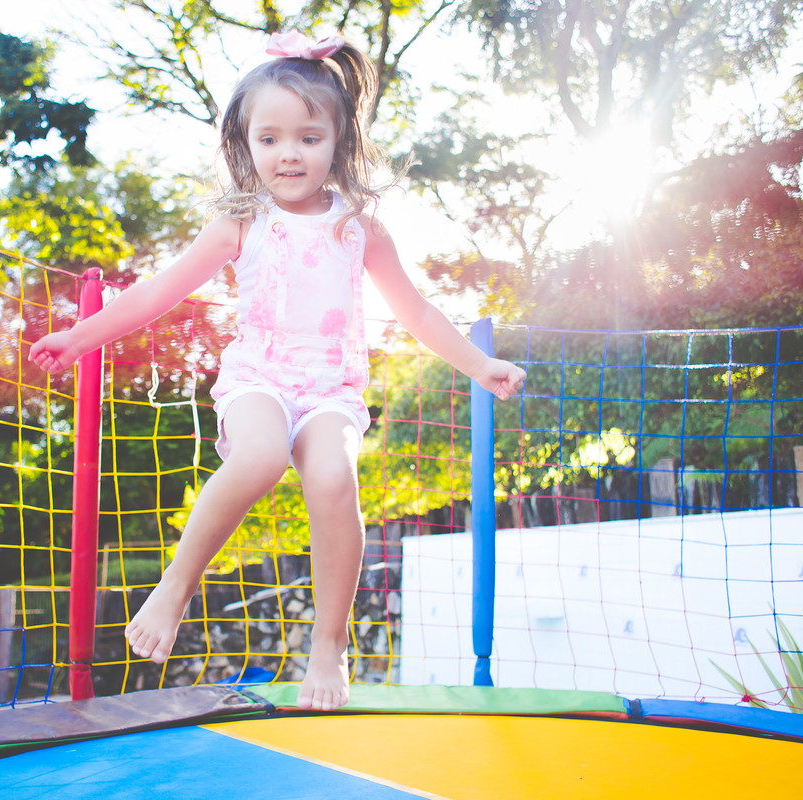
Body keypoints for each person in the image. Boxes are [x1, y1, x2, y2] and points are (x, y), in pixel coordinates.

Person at [29, 30, 526, 711]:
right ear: (245, 142)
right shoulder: (241, 221)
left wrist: (479, 364)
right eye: (270, 138)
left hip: (331, 390)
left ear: (338, 142)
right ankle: (175, 584)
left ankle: (329, 642)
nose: (289, 153)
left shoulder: (359, 226)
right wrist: (79, 337)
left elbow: (415, 311)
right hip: (258, 378)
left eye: (308, 137)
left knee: (334, 476)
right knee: (260, 455)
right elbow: (157, 291)